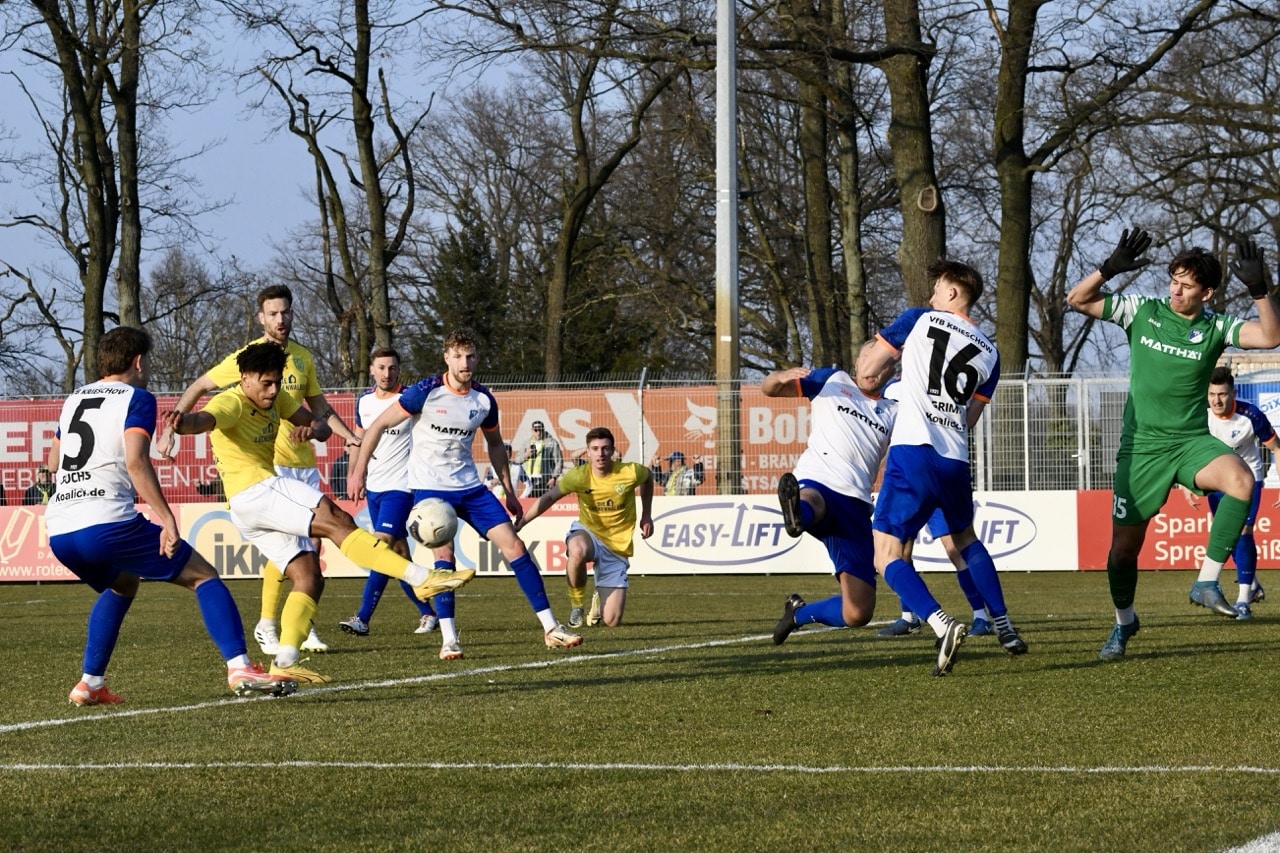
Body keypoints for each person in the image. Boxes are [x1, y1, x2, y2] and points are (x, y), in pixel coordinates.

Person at [160, 341, 474, 684]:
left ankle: (284, 660)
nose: (273, 390)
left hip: (247, 507)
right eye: (265, 383)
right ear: (245, 378)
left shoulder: (277, 398)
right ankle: (422, 579)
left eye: (277, 382)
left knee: (309, 575)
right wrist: (181, 423)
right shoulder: (231, 401)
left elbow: (321, 425)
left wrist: (312, 429)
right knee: (336, 519)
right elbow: (202, 420)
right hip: (256, 490)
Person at [47, 326, 297, 704]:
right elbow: (135, 462)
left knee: (123, 583)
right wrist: (167, 519)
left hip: (61, 530)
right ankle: (240, 666)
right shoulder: (138, 397)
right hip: (106, 522)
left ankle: (90, 684)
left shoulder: (72, 400)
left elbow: (52, 462)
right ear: (138, 361)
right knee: (204, 576)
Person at [1066, 231, 1280, 660]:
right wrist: (1109, 267)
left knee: (1240, 480)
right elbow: (1077, 299)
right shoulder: (1143, 310)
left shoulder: (1216, 325)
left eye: (1186, 285)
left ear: (1207, 292)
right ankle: (1125, 623)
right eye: (1174, 281)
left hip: (1189, 442)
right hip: (1141, 448)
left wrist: (1260, 290)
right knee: (1123, 551)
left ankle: (1205, 581)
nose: (1176, 290)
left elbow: (1270, 337)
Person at [348, 328, 581, 660]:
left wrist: (509, 491)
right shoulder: (425, 392)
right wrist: (358, 472)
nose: (465, 362)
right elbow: (378, 425)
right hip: (430, 489)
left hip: (471, 488)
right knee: (445, 561)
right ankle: (449, 639)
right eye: (458, 356)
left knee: (515, 547)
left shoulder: (483, 399)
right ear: (447, 358)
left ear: (477, 358)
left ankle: (550, 628)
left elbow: (496, 444)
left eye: (470, 356)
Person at [161, 284, 358, 657]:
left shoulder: (301, 358)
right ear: (261, 317)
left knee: (310, 549)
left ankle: (297, 625)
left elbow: (319, 408)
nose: (280, 319)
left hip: (302, 463)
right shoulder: (245, 359)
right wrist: (172, 428)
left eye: (286, 312)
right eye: (273, 313)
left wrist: (349, 437)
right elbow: (202, 385)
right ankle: (270, 623)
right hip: (267, 465)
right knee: (300, 546)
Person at [860, 260, 1028, 676]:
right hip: (953, 457)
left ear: (953, 293)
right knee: (967, 540)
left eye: (937, 288)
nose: (931, 295)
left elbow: (866, 373)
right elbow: (970, 418)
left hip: (913, 450)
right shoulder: (991, 351)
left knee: (885, 554)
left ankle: (940, 622)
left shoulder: (919, 319)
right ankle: (1003, 624)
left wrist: (879, 369)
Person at [763, 342, 901, 646]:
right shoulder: (832, 381)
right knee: (812, 499)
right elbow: (769, 389)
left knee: (858, 612)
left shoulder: (894, 410)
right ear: (857, 360)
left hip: (857, 507)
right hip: (820, 481)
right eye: (868, 358)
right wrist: (783, 375)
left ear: (892, 370)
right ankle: (797, 511)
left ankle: (797, 614)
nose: (874, 368)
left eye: (884, 364)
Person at [338, 347, 440, 638]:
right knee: (398, 555)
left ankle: (362, 617)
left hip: (402, 487)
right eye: (381, 368)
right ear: (371, 369)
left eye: (392, 368)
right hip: (375, 488)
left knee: (380, 548)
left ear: (399, 369)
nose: (387, 373)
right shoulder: (364, 401)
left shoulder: (409, 399)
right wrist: (353, 475)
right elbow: (359, 441)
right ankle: (428, 613)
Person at [517, 426, 654, 628]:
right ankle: (577, 605)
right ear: (587, 451)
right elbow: (549, 498)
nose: (600, 454)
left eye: (605, 448)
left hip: (617, 547)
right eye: (595, 448)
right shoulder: (579, 476)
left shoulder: (629, 472)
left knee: (612, 621)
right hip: (588, 532)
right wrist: (521, 522)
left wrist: (647, 515)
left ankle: (599, 599)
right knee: (577, 549)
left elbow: (648, 478)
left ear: (613, 451)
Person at [1176, 366, 1278, 620]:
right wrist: (1185, 484)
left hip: (1248, 480)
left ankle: (1243, 599)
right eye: (1212, 394)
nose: (1216, 400)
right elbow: (1185, 452)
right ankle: (1252, 583)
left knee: (1243, 531)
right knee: (1227, 535)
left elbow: (1276, 447)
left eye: (1222, 394)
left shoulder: (1250, 414)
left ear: (1233, 393)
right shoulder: (1200, 416)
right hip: (1216, 482)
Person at [875, 516, 998, 637]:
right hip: (908, 496)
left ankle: (981, 616)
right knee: (900, 553)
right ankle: (909, 617)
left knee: (954, 549)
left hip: (938, 496)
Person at [523, 420, 563, 498]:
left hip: (545, 480)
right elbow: (518, 460)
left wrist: (554, 477)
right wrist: (526, 455)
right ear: (532, 430)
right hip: (530, 481)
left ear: (543, 430)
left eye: (540, 430)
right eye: (536, 430)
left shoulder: (551, 443)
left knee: (545, 504)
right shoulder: (527, 443)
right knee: (530, 505)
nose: (538, 432)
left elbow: (559, 462)